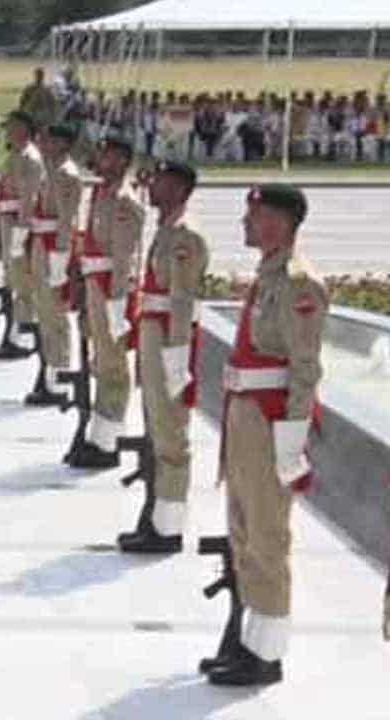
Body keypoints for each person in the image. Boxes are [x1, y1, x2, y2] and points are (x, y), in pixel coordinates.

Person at [205, 185, 326, 686]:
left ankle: (267, 653)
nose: (245, 224)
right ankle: (249, 641)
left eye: (254, 216)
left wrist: (292, 443)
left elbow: (304, 369)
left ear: (279, 222)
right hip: (246, 414)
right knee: (243, 531)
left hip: (270, 420)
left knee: (267, 535)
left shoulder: (300, 283)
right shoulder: (269, 275)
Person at [117, 161, 208, 554]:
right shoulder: (168, 228)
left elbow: (182, 302)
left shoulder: (186, 235)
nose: (151, 185)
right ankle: (155, 517)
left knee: (170, 435)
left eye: (159, 181)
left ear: (179, 188)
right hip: (155, 333)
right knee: (157, 428)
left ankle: (167, 528)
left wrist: (177, 359)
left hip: (169, 339)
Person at [71, 135, 145, 468]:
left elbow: (122, 259)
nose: (100, 161)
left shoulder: (125, 202)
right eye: (100, 155)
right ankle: (98, 434)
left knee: (112, 367)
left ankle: (108, 441)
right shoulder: (102, 193)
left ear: (122, 161)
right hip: (94, 284)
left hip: (110, 289)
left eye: (108, 156)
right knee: (101, 362)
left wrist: (117, 305)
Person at [24, 123, 82, 406]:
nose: (44, 144)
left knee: (55, 317)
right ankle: (49, 371)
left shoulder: (66, 175)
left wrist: (60, 261)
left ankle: (58, 378)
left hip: (53, 249)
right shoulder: (52, 170)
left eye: (50, 140)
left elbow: (66, 220)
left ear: (63, 144)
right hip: (42, 244)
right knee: (45, 313)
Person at [0, 110, 43, 360]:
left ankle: (23, 338)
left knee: (22, 283)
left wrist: (21, 233)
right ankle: (14, 334)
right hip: (7, 220)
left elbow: (28, 199)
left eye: (12, 127)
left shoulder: (29, 158)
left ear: (23, 128)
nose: (8, 131)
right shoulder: (16, 155)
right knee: (12, 280)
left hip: (17, 223)